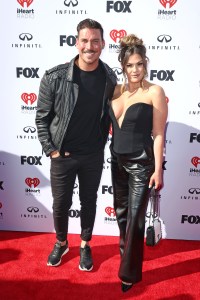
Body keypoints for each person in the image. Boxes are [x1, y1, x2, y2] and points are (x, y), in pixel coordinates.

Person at [35, 18, 116, 271]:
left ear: (103, 44)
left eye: (95, 41)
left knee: (89, 202)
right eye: (84, 40)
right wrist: (52, 150)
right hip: (63, 156)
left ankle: (84, 244)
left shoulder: (110, 78)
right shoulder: (55, 77)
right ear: (76, 42)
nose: (89, 46)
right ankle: (61, 242)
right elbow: (41, 118)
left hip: (92, 155)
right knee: (60, 204)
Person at [109, 34, 168, 292]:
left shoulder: (154, 91)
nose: (135, 70)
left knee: (135, 220)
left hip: (141, 165)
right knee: (122, 217)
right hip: (117, 163)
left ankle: (129, 274)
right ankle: (127, 258)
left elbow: (158, 134)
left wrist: (157, 169)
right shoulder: (116, 90)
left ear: (146, 64)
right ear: (123, 66)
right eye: (130, 65)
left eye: (139, 64)